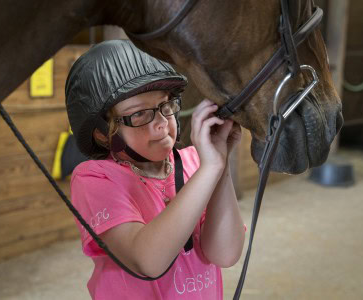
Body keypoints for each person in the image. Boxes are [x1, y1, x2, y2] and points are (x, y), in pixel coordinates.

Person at [65, 40, 246, 299]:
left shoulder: (197, 162)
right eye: (139, 114)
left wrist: (220, 161)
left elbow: (225, 253)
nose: (162, 123)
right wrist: (209, 171)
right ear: (102, 134)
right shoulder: (94, 178)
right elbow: (147, 262)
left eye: (165, 105)